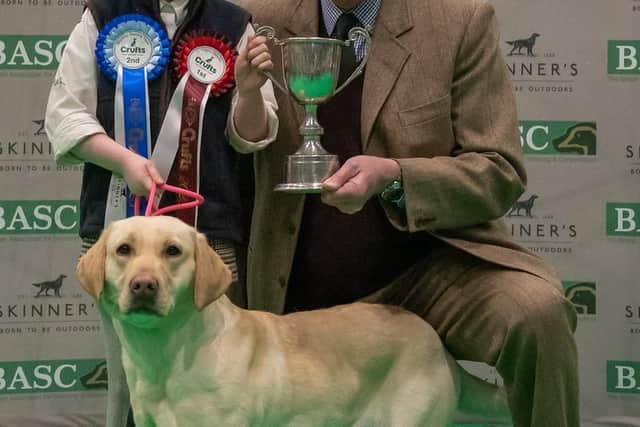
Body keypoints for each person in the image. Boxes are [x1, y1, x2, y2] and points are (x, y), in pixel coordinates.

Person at [233, 0, 579, 426]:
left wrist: (396, 177)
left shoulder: (459, 20)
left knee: (536, 313)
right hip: (296, 283)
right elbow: (224, 157)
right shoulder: (253, 19)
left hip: (433, 275)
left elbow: (497, 170)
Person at [45, 0, 277, 425]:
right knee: (126, 381)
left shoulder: (235, 23)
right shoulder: (102, 14)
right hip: (119, 234)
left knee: (216, 384)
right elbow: (63, 116)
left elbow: (251, 137)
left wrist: (246, 91)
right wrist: (124, 162)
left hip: (204, 241)